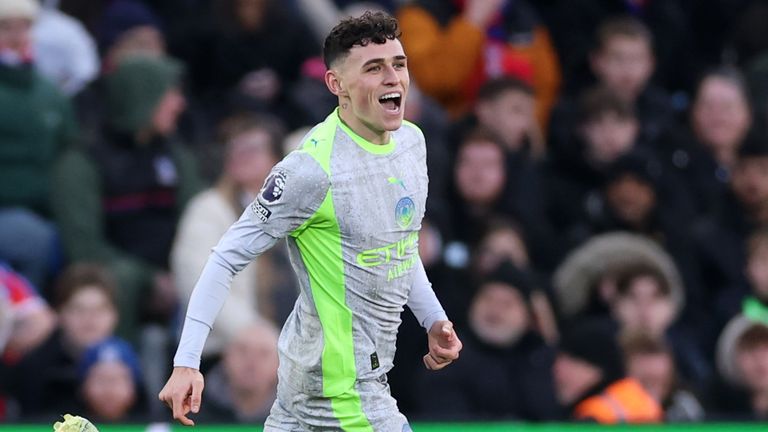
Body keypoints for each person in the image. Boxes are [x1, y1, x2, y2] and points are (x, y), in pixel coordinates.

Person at [158, 11, 463, 430]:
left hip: (317, 392)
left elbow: (399, 248)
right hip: (338, 392)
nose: (393, 78)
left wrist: (433, 319)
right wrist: (187, 362)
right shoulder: (310, 171)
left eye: (399, 63)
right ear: (336, 85)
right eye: (374, 68)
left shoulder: (412, 142)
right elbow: (225, 256)